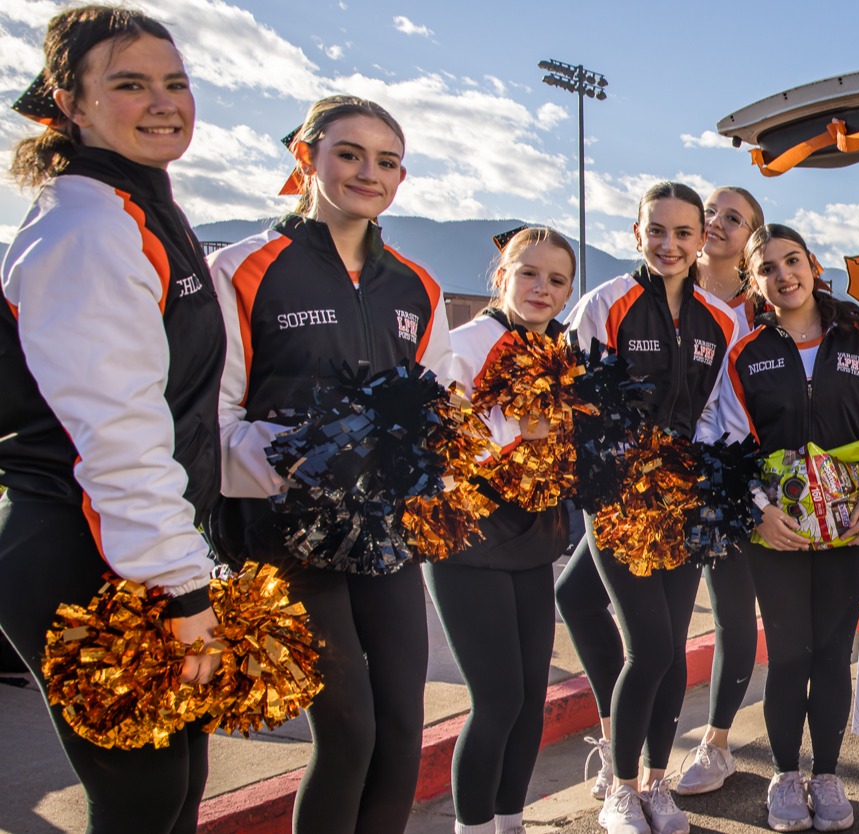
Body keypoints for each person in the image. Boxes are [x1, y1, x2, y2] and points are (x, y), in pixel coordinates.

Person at [0, 8, 223, 832]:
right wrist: (181, 587)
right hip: (77, 545)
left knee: (178, 785)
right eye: (129, 84)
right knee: (141, 800)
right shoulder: (90, 226)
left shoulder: (142, 205)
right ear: (72, 102)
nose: (163, 102)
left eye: (175, 83)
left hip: (132, 547)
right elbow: (118, 436)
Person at [209, 94, 454, 834]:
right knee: (348, 736)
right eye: (348, 153)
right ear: (307, 158)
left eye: (385, 161)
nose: (367, 173)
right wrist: (307, 466)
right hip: (284, 540)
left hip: (386, 539)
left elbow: (439, 407)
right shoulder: (243, 268)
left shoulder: (418, 285)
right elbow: (212, 420)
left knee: (402, 731)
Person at [698, 224, 859, 832]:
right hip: (779, 530)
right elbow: (727, 441)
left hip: (851, 524)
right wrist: (758, 511)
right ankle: (786, 776)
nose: (783, 275)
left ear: (814, 265)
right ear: (754, 283)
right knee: (789, 653)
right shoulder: (746, 353)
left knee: (832, 652)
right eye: (767, 268)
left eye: (792, 261)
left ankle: (830, 775)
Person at [562, 181, 746, 834]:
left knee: (668, 653)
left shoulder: (721, 322)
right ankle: (619, 786)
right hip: (619, 500)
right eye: (657, 231)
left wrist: (711, 483)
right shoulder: (604, 305)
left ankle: (656, 784)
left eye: (684, 233)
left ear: (702, 240)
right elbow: (578, 406)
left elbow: (724, 412)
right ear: (636, 233)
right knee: (650, 646)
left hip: (687, 501)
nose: (670, 245)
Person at [429, 226, 579, 834]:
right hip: (470, 540)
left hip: (532, 538)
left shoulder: (559, 350)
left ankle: (510, 822)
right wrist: (523, 437)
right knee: (495, 701)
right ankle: (472, 827)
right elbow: (441, 447)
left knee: (528, 701)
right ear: (501, 275)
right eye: (529, 273)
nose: (542, 288)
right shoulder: (465, 344)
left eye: (557, 279)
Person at [677, 185, 767, 797]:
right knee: (581, 595)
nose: (716, 223)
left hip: (731, 480)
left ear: (751, 238)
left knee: (734, 614)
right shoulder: (667, 292)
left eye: (733, 218)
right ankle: (616, 740)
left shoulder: (761, 311)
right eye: (711, 211)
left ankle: (715, 742)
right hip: (660, 481)